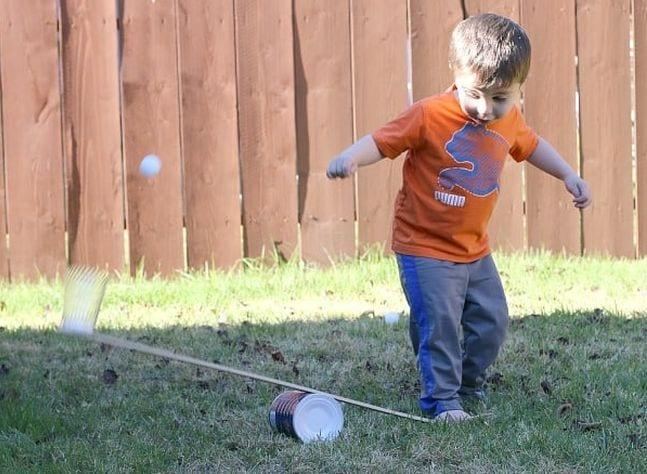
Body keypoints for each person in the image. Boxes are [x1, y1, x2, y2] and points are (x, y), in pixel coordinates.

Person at [326, 13, 591, 422]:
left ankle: (468, 384)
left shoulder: (511, 120)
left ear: (521, 88)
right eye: (476, 95)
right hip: (424, 247)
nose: (486, 109)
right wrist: (350, 159)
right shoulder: (429, 114)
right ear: (456, 75)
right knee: (440, 324)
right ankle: (442, 401)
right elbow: (383, 141)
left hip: (474, 249)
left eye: (501, 98)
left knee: (492, 321)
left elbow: (533, 146)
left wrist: (569, 175)